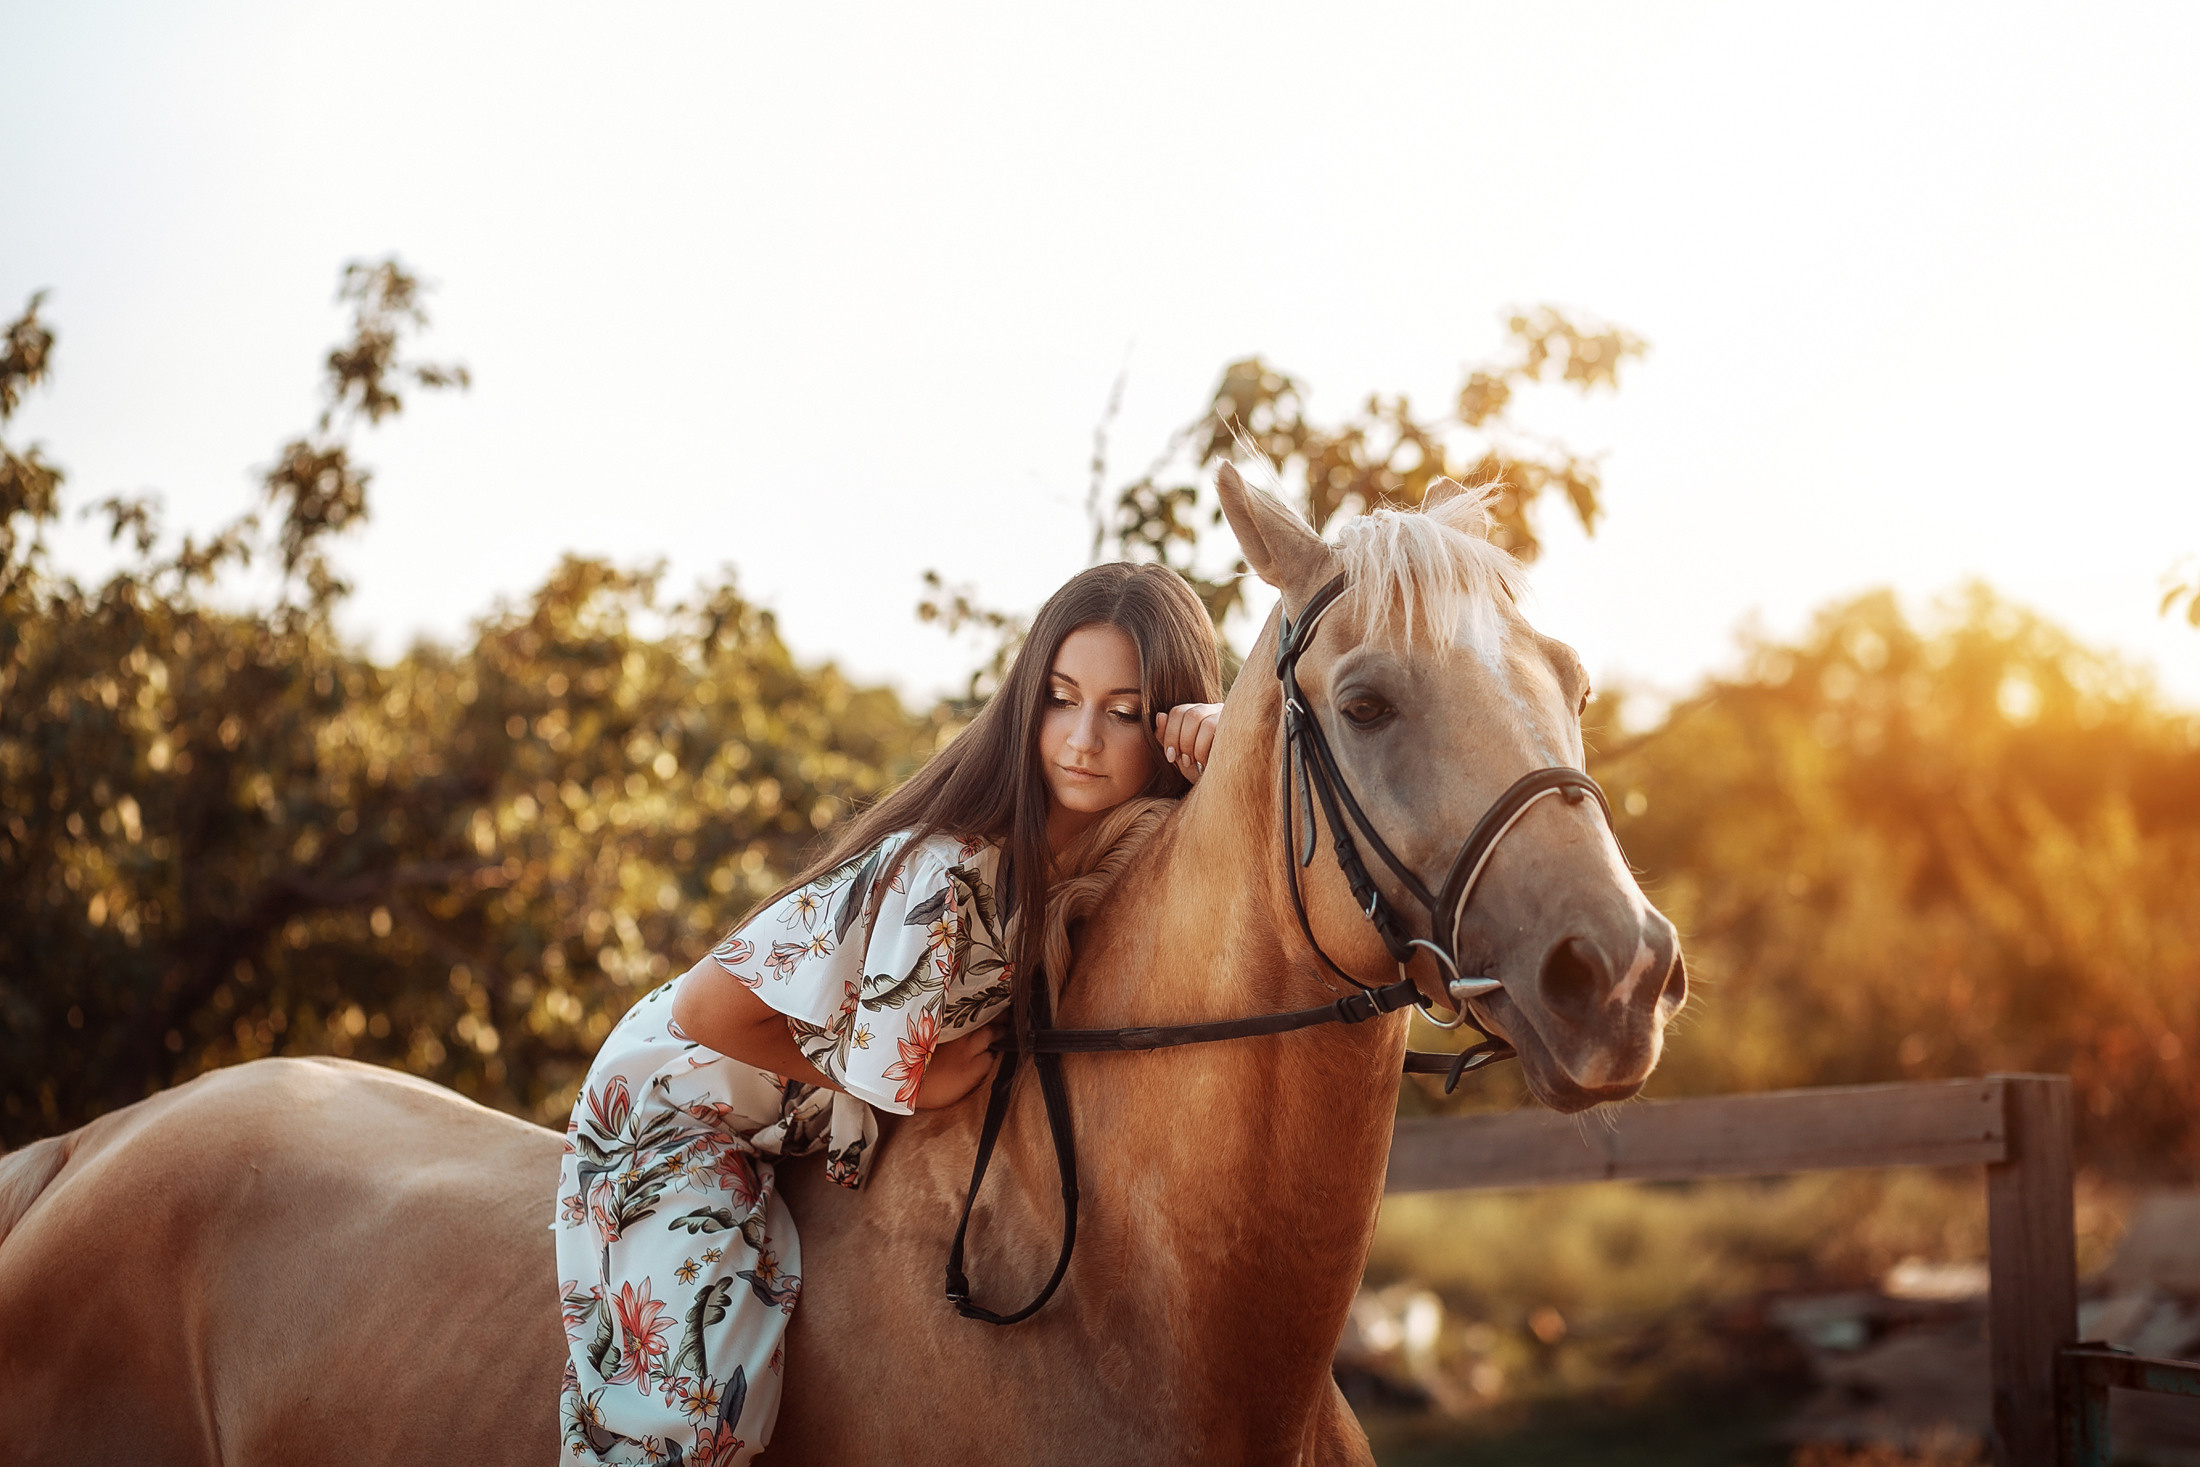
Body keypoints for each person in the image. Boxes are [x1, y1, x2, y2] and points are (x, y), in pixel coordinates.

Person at [552, 562, 1225, 1466]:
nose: (1081, 739)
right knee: (705, 1409)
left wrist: (1226, 735)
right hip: (676, 1103)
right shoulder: (948, 870)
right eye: (1061, 699)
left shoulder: (1102, 855)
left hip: (785, 1118)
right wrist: (909, 1083)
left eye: (1127, 711)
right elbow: (705, 1009)